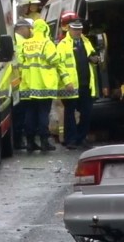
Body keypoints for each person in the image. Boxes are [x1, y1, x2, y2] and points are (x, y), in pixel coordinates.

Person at [19, 18, 73, 152]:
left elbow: (20, 61)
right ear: (45, 29)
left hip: (28, 85)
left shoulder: (26, 43)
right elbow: (54, 59)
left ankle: (30, 142)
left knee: (30, 113)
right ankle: (44, 142)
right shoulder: (47, 43)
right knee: (43, 113)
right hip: (44, 85)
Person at [56, 19, 100, 150]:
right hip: (70, 85)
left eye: (80, 30)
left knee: (86, 112)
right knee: (70, 114)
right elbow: (60, 65)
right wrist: (67, 82)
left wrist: (95, 59)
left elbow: (93, 56)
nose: (78, 32)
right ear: (69, 29)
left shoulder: (86, 42)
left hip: (85, 84)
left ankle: (81, 138)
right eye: (75, 30)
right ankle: (71, 140)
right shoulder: (63, 44)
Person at [11, 19, 33, 150]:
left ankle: (17, 140)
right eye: (28, 28)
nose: (30, 31)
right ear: (22, 28)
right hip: (20, 82)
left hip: (14, 82)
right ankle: (18, 141)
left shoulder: (14, 39)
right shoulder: (21, 42)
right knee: (20, 114)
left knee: (17, 114)